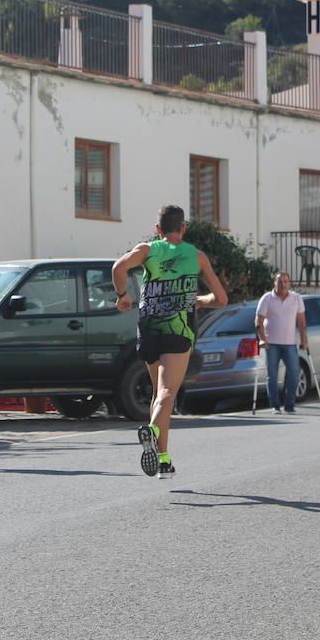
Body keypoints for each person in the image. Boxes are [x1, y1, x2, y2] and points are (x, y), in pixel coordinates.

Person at [112, 204, 227, 479]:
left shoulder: (147, 249)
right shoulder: (197, 256)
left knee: (157, 394)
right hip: (178, 330)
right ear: (183, 229)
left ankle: (163, 459)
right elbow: (221, 299)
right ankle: (152, 431)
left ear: (158, 229)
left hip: (149, 328)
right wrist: (199, 300)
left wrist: (122, 296)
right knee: (167, 394)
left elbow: (118, 267)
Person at [255, 271, 308, 415]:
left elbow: (302, 322)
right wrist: (262, 339)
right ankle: (275, 406)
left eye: (285, 281)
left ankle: (289, 405)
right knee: (272, 374)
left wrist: (304, 341)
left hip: (290, 343)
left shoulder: (296, 298)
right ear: (275, 283)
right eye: (280, 281)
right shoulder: (267, 298)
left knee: (294, 372)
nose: (282, 284)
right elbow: (258, 320)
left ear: (289, 283)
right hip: (271, 343)